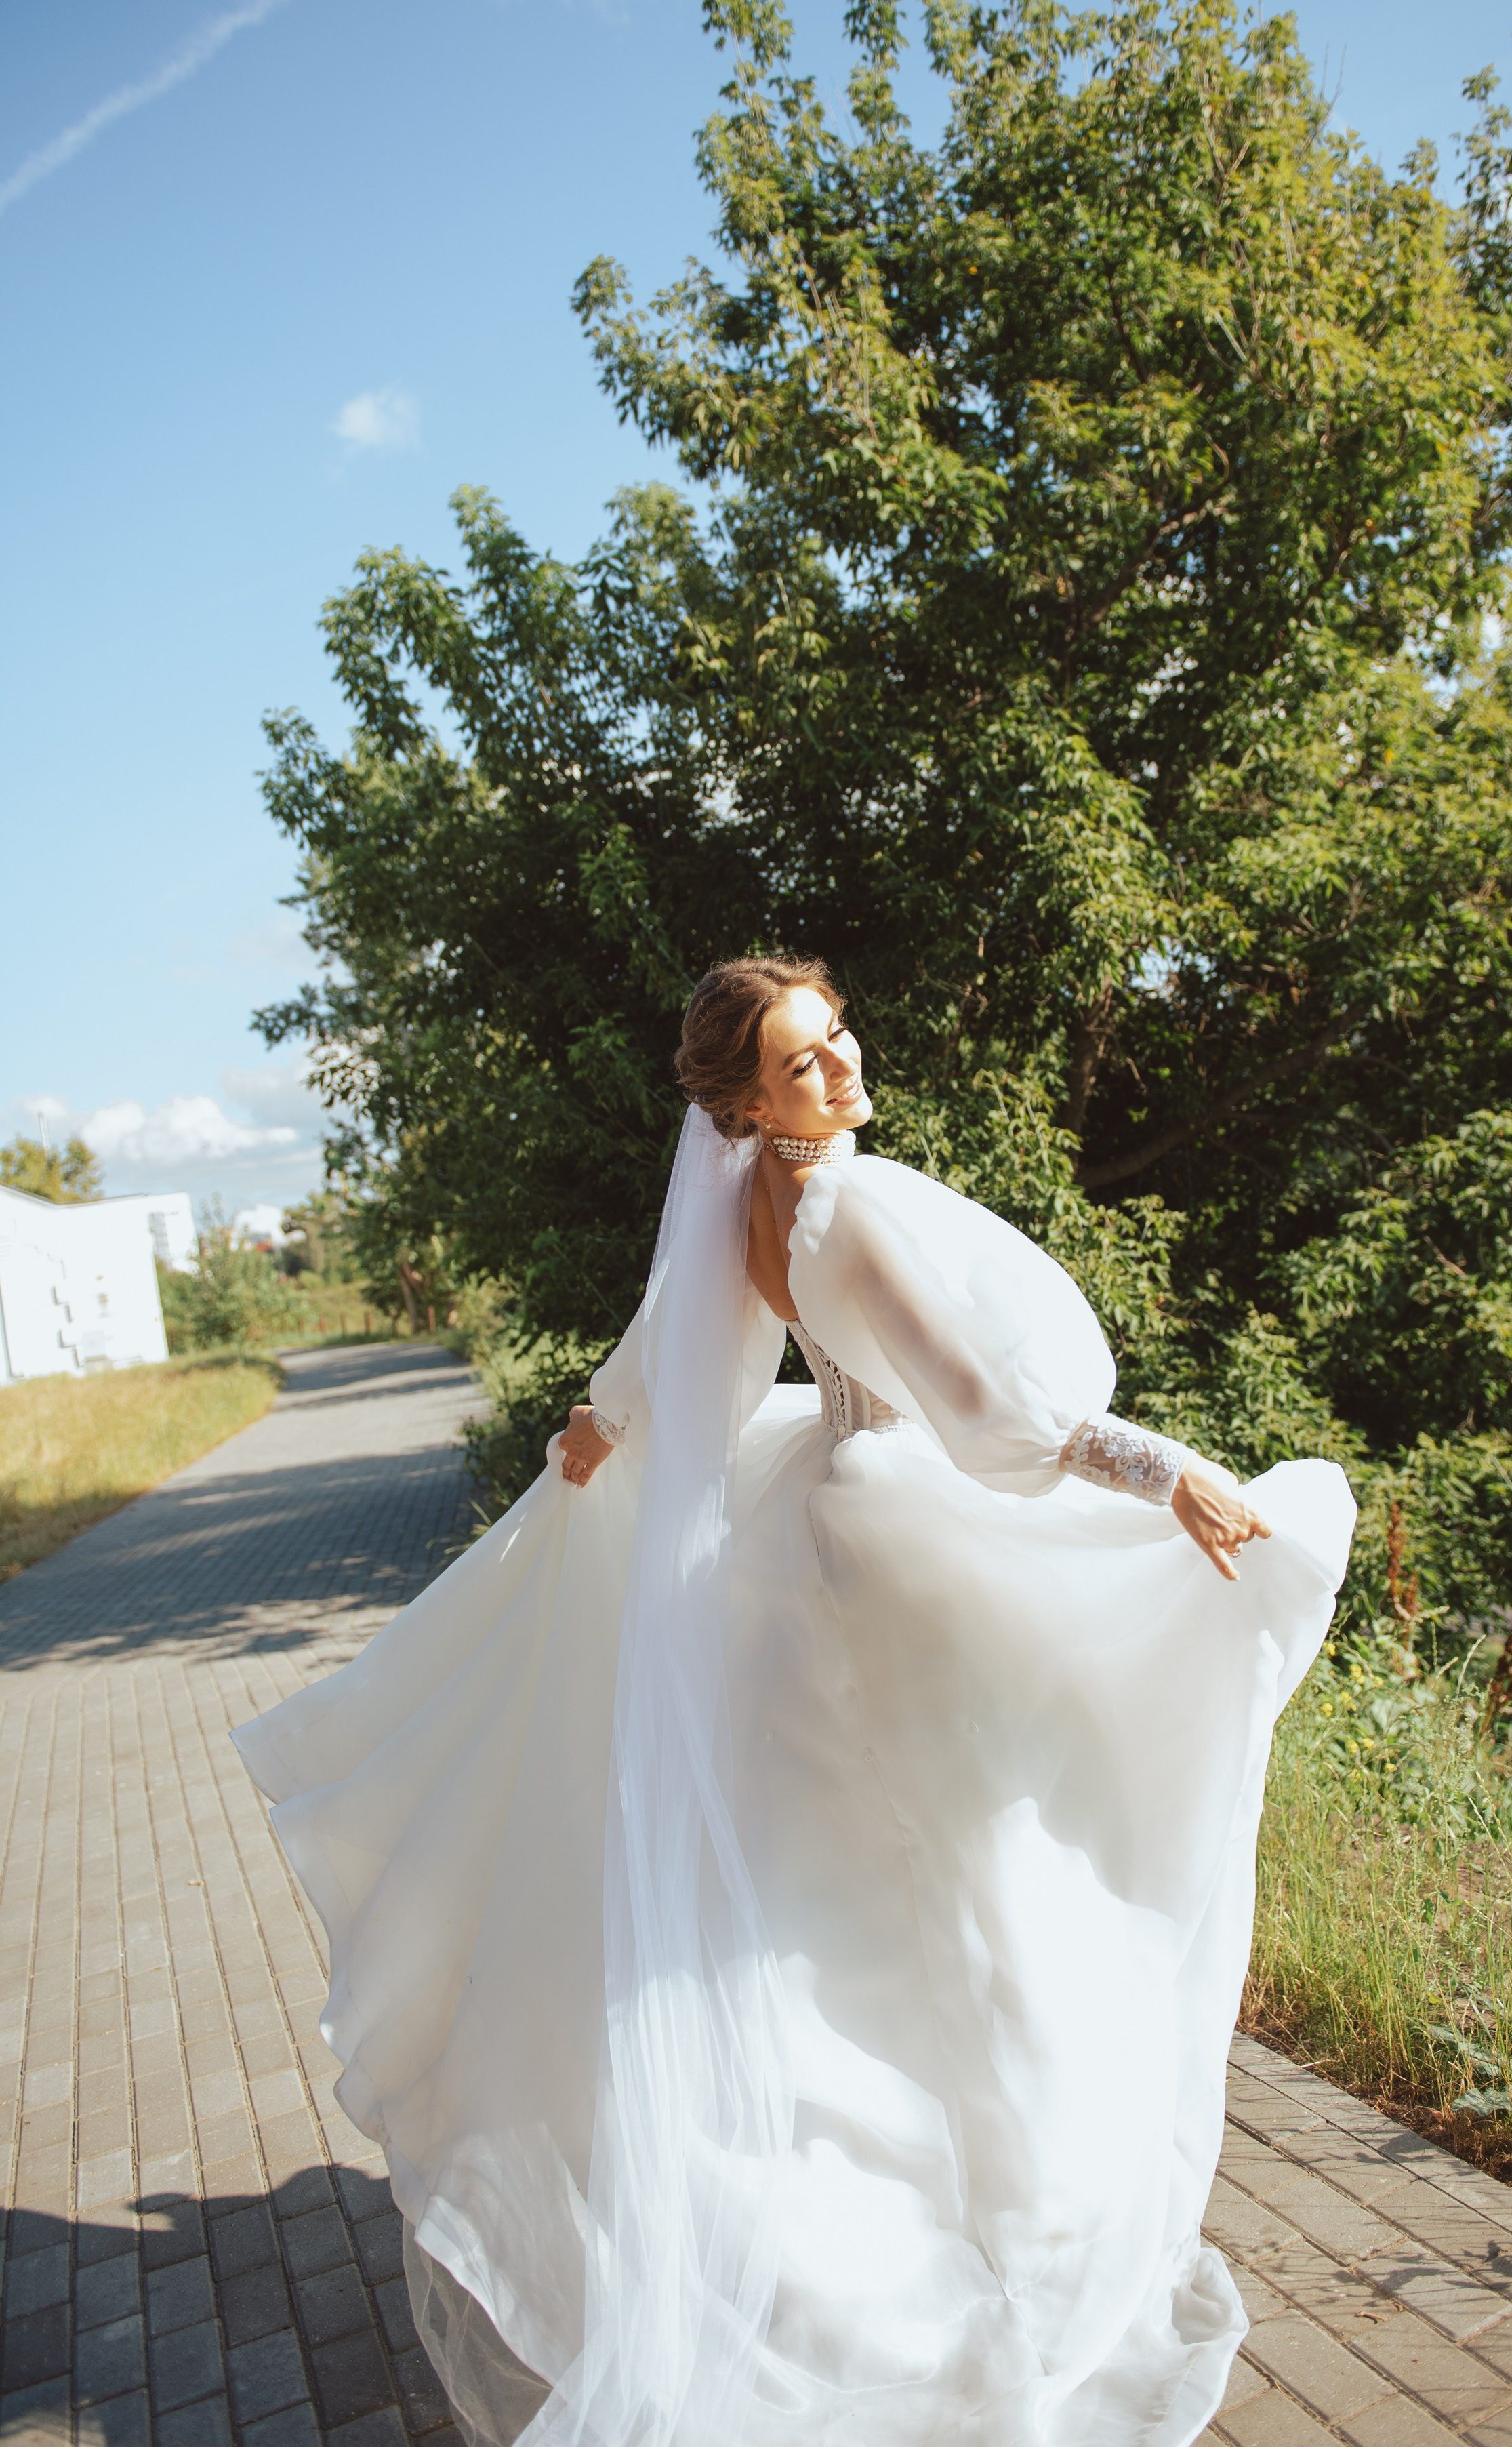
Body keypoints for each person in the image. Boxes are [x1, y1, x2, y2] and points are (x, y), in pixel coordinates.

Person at [234, 955, 1355, 2447]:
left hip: (817, 1514)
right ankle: (992, 2242)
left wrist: (601, 1420)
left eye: (835, 1039)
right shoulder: (844, 1201)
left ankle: (847, 2198)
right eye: (799, 1062)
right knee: (992, 1875)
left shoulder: (739, 1193)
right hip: (905, 1530)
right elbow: (984, 1412)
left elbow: (667, 1338)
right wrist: (1166, 1471)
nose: (835, 1069)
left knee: (839, 1894)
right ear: (742, 1099)